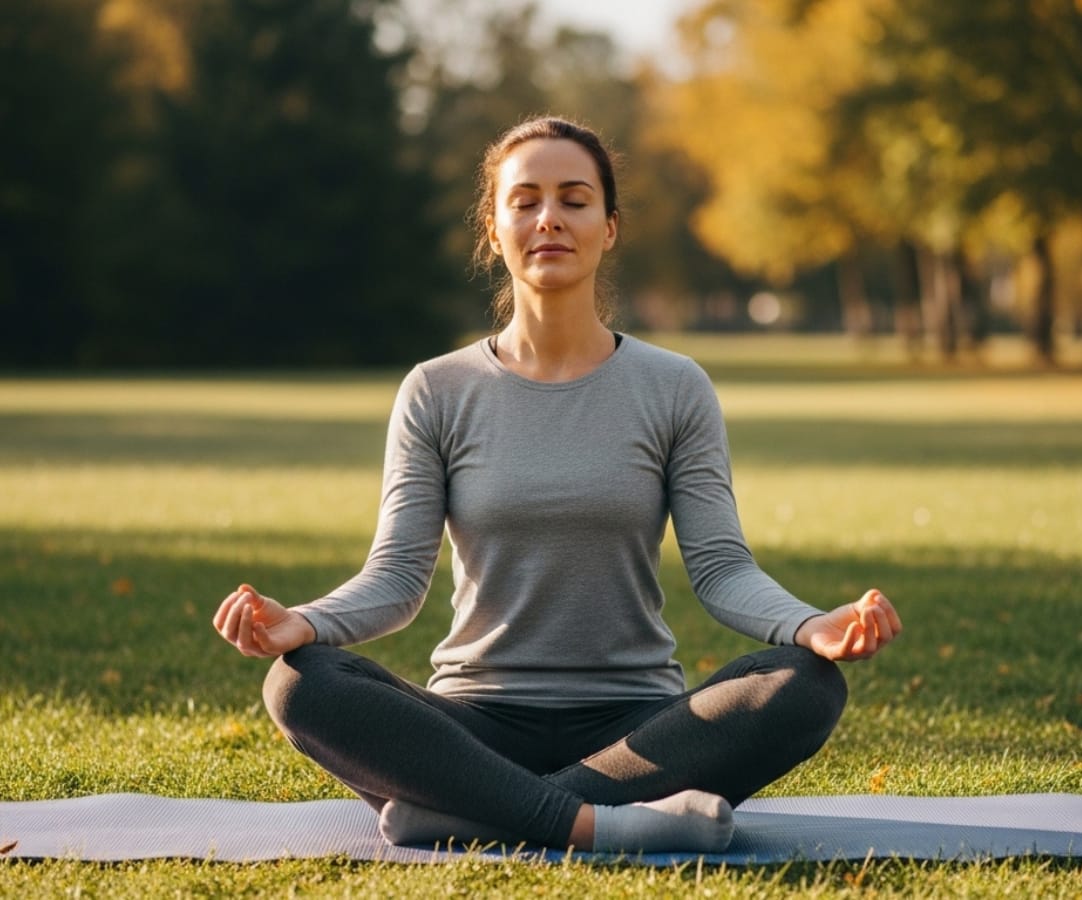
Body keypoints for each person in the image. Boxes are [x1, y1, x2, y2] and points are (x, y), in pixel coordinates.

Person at [212, 116, 902, 854]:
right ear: (495, 226)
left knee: (805, 686)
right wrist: (305, 623)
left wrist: (808, 626)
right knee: (299, 683)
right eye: (526, 200)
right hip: (475, 722)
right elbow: (396, 579)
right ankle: (584, 821)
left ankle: (468, 812)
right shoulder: (435, 391)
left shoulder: (674, 388)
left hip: (637, 732)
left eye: (574, 200)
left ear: (609, 227)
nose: (549, 219)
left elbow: (723, 569)